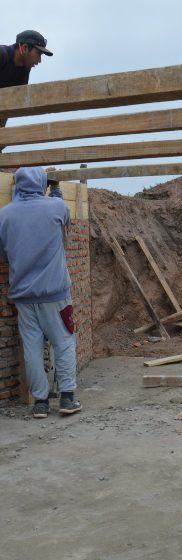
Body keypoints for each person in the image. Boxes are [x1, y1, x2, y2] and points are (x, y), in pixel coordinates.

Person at [0, 167, 81, 418]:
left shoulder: (4, 214)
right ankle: (67, 399)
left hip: (23, 296)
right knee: (64, 343)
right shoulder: (54, 207)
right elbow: (64, 214)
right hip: (55, 295)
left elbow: (4, 252)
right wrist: (56, 188)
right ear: (42, 184)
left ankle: (41, 404)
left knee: (32, 349)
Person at [0, 30, 53, 130]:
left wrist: (1, 132)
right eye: (38, 54)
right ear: (24, 48)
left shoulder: (24, 72)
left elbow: (7, 105)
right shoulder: (2, 54)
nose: (39, 61)